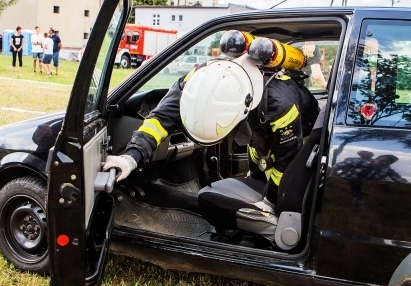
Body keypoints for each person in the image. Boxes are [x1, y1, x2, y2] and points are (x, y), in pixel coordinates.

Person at [104, 32, 319, 212]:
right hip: (261, 138)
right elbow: (160, 119)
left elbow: (287, 160)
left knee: (278, 176)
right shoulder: (198, 81)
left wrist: (270, 204)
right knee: (259, 159)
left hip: (303, 137)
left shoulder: (279, 104)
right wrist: (131, 158)